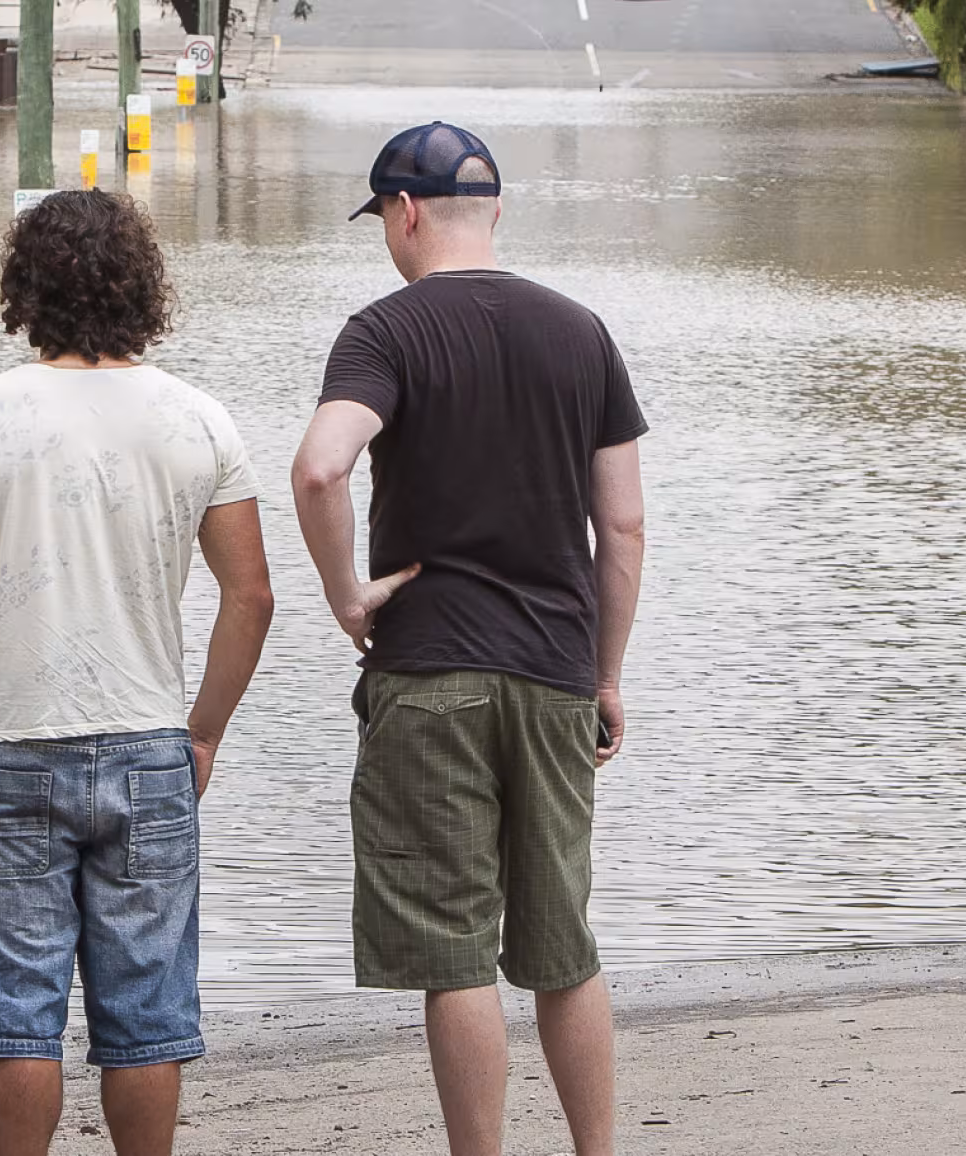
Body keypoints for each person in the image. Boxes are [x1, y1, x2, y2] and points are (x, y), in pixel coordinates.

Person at [290, 123, 649, 1156]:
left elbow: (319, 468)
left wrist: (345, 594)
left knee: (455, 956)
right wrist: (605, 673)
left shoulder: (383, 332)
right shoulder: (580, 333)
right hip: (551, 675)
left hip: (429, 669)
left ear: (401, 214)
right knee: (561, 948)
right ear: (492, 210)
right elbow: (620, 524)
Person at [0, 189, 275, 1156]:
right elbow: (253, 597)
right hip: (150, 745)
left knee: (15, 1015)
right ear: (142, 286)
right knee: (146, 1011)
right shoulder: (199, 420)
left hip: (10, 747)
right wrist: (202, 732)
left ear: (24, 285)